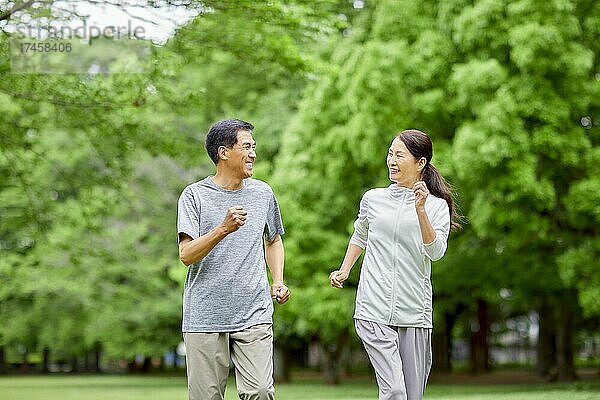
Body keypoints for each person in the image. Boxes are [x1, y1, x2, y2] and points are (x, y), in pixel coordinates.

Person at [329, 129, 459, 400]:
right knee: (395, 392)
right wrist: (344, 269)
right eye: (390, 153)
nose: (391, 160)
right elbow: (360, 235)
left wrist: (420, 209)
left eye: (399, 155)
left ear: (420, 163)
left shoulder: (436, 206)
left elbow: (435, 252)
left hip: (414, 312)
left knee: (412, 395)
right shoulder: (373, 199)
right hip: (373, 308)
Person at [177, 118, 290, 400]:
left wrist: (278, 280)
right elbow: (186, 255)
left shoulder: (262, 193)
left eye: (254, 147)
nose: (253, 154)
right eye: (247, 147)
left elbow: (273, 239)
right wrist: (223, 229)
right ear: (223, 152)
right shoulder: (194, 196)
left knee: (261, 391)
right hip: (205, 315)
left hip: (254, 309)